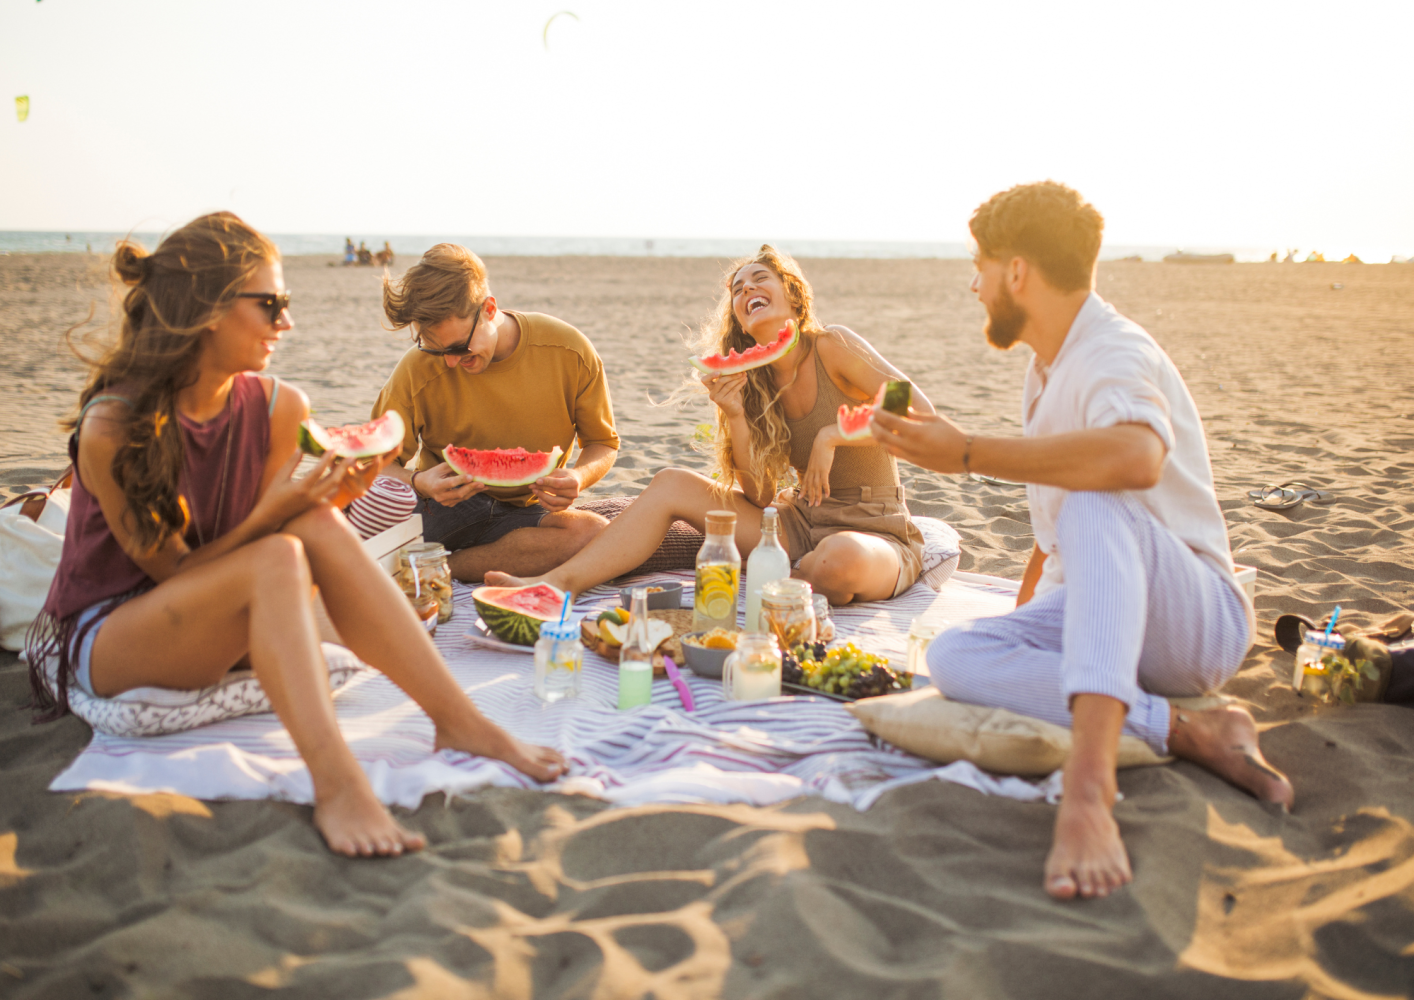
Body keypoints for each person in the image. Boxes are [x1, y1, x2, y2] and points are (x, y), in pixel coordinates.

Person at [26, 213, 565, 858]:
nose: (287, 322)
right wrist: (274, 518)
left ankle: (460, 722)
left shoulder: (280, 408)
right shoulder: (114, 425)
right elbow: (174, 572)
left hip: (216, 616)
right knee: (282, 548)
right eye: (271, 304)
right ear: (206, 311)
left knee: (308, 525)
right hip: (112, 634)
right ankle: (337, 782)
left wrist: (330, 500)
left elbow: (264, 540)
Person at [869, 182, 1293, 901]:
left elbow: (1134, 460)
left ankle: (1088, 796)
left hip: (1197, 622)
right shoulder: (1048, 368)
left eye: (981, 264)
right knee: (958, 653)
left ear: (1017, 272)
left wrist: (965, 452)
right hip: (1114, 614)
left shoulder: (1114, 351)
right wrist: (1022, 621)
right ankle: (1192, 731)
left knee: (1098, 501)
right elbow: (1055, 538)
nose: (974, 284)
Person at [486, 245, 932, 604]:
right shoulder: (751, 381)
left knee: (839, 560)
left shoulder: (832, 344)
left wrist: (832, 435)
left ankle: (789, 580)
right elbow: (758, 495)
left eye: (760, 279)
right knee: (671, 482)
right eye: (737, 289)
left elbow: (914, 402)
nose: (746, 290)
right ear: (738, 315)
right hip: (798, 525)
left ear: (793, 295)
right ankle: (556, 584)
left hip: (874, 526)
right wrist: (736, 414)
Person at [371, 244, 617, 581]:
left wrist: (578, 477)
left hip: (523, 513)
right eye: (436, 349)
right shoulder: (417, 369)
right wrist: (420, 482)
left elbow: (603, 443)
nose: (451, 362)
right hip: (439, 507)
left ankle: (438, 569)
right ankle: (428, 561)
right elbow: (375, 463)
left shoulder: (568, 350)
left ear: (489, 309)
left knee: (594, 534)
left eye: (459, 347)